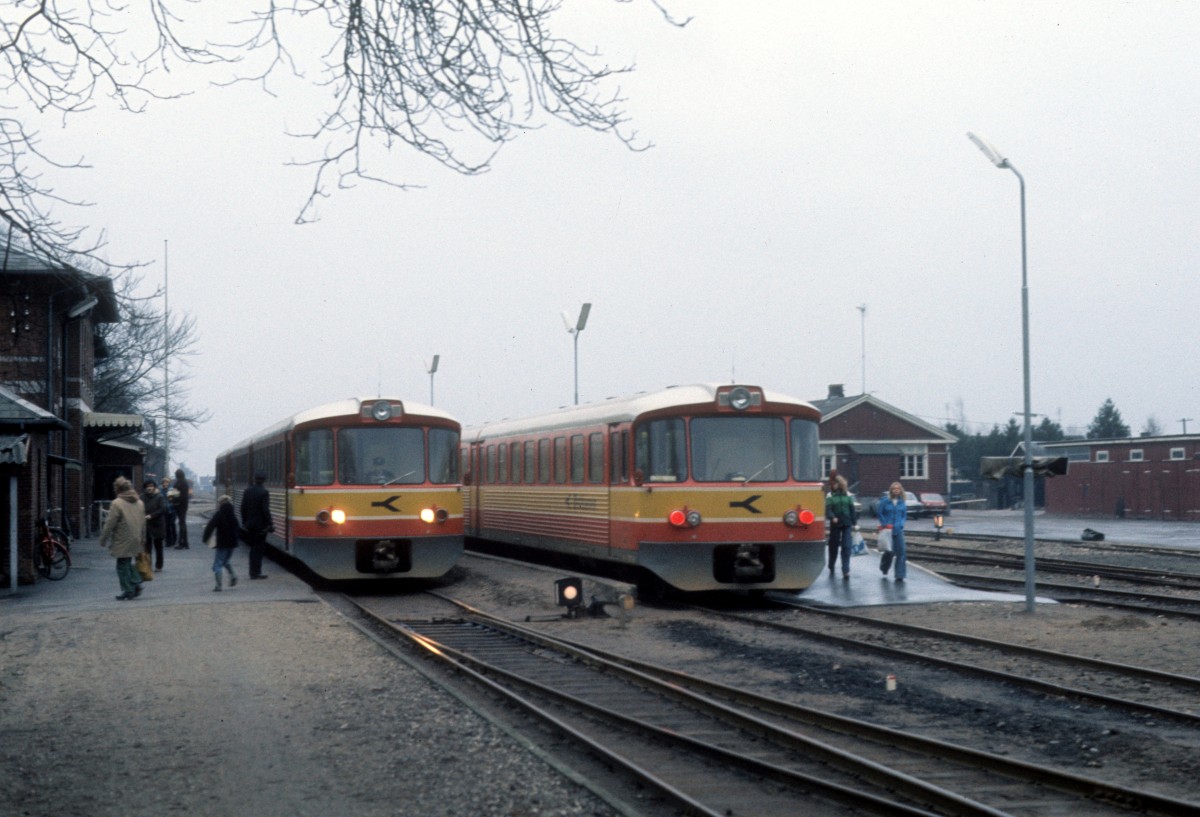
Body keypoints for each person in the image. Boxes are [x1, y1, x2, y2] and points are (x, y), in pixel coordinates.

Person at [99, 476, 147, 601]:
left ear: (117, 489)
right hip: (136, 537)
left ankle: (130, 588)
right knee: (127, 562)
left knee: (121, 565)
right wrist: (143, 537)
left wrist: (103, 539)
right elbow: (143, 522)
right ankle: (134, 583)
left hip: (122, 538)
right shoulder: (139, 502)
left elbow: (110, 523)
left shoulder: (117, 503)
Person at [240, 470, 274, 579]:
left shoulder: (247, 491)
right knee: (258, 549)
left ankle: (252, 572)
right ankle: (256, 572)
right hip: (261, 526)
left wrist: (245, 522)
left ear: (255, 479)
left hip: (250, 525)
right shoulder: (264, 492)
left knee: (253, 548)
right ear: (264, 480)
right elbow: (265, 510)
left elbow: (243, 508)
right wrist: (270, 523)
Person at [202, 495, 240, 591]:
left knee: (217, 564)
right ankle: (234, 576)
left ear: (220, 503)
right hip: (232, 544)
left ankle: (218, 586)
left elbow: (210, 527)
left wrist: (205, 538)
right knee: (225, 561)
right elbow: (237, 528)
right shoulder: (233, 514)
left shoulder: (219, 514)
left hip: (222, 543)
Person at [825, 474, 858, 579]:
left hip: (846, 523)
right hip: (835, 524)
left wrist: (855, 523)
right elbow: (828, 510)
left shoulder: (848, 495)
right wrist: (832, 517)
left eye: (834, 483)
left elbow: (852, 510)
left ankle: (846, 570)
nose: (832, 485)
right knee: (833, 545)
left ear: (839, 484)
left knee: (846, 546)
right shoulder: (830, 496)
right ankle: (831, 564)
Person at [877, 480, 908, 582]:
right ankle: (884, 567)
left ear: (901, 491)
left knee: (901, 551)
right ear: (891, 490)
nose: (896, 491)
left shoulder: (902, 502)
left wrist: (902, 523)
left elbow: (904, 515)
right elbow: (880, 513)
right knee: (890, 552)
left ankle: (900, 575)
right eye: (894, 489)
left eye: (898, 489)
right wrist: (884, 523)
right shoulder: (885, 501)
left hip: (898, 529)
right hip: (888, 529)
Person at [141, 479, 167, 572]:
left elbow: (163, 509)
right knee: (147, 547)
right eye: (147, 486)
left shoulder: (160, 497)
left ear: (154, 487)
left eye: (151, 486)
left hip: (158, 525)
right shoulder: (142, 497)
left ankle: (159, 566)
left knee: (158, 546)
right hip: (147, 525)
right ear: (145, 488)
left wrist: (152, 515)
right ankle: (148, 565)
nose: (149, 488)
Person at [172, 468, 192, 549]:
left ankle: (181, 543)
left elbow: (175, 495)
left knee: (182, 524)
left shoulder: (178, 483)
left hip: (179, 505)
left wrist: (174, 501)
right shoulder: (185, 483)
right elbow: (185, 496)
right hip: (184, 505)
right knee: (182, 523)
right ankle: (185, 543)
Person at [161, 476, 178, 550]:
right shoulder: (161, 490)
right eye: (164, 482)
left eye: (166, 482)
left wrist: (174, 500)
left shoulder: (172, 489)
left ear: (169, 483)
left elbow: (177, 497)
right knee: (167, 526)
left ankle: (174, 539)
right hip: (165, 510)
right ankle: (168, 541)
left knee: (172, 524)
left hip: (173, 509)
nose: (165, 484)